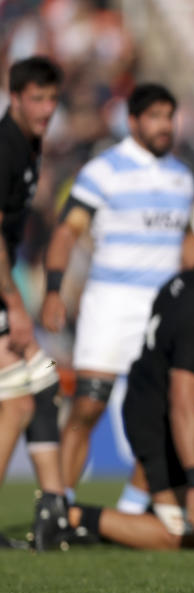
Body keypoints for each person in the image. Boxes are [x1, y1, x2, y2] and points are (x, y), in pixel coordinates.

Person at [41, 83, 194, 511]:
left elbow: (186, 240)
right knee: (89, 403)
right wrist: (53, 290)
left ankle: (131, 508)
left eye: (169, 116)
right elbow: (67, 231)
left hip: (161, 313)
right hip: (110, 304)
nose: (164, 125)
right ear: (133, 122)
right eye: (154, 117)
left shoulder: (182, 177)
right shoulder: (103, 170)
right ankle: (59, 502)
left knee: (163, 412)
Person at [66, 224, 194, 549]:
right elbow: (182, 405)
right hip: (155, 422)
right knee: (183, 536)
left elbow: (173, 357)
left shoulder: (188, 284)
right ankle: (73, 517)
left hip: (162, 396)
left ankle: (155, 499)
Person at [0, 56, 69, 551]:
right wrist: (15, 303)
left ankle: (52, 513)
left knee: (41, 385)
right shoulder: (5, 147)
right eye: (37, 99)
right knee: (17, 401)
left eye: (52, 98)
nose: (46, 108)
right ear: (15, 97)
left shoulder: (30, 142)